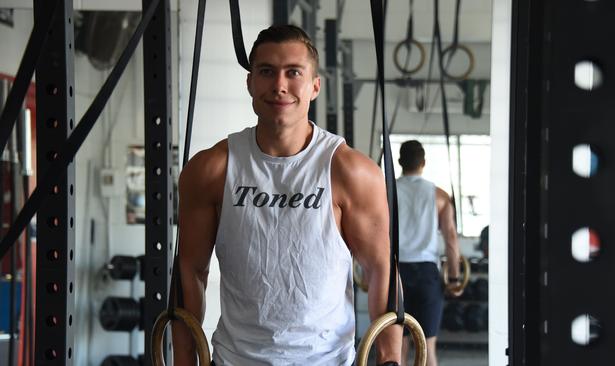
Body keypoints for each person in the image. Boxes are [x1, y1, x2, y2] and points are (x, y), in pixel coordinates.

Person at [172, 25, 401, 365]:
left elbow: (381, 268)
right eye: (266, 72)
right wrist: (184, 359)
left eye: (293, 72)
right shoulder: (211, 170)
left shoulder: (351, 172)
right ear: (250, 82)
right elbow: (190, 269)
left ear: (315, 86)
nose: (279, 86)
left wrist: (390, 358)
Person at [396, 140, 462, 366]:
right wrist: (454, 278)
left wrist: (367, 275)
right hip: (427, 274)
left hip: (396, 274)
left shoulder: (386, 192)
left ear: (399, 162)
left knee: (399, 347)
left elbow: (374, 235)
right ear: (423, 163)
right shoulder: (440, 196)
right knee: (427, 347)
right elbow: (451, 238)